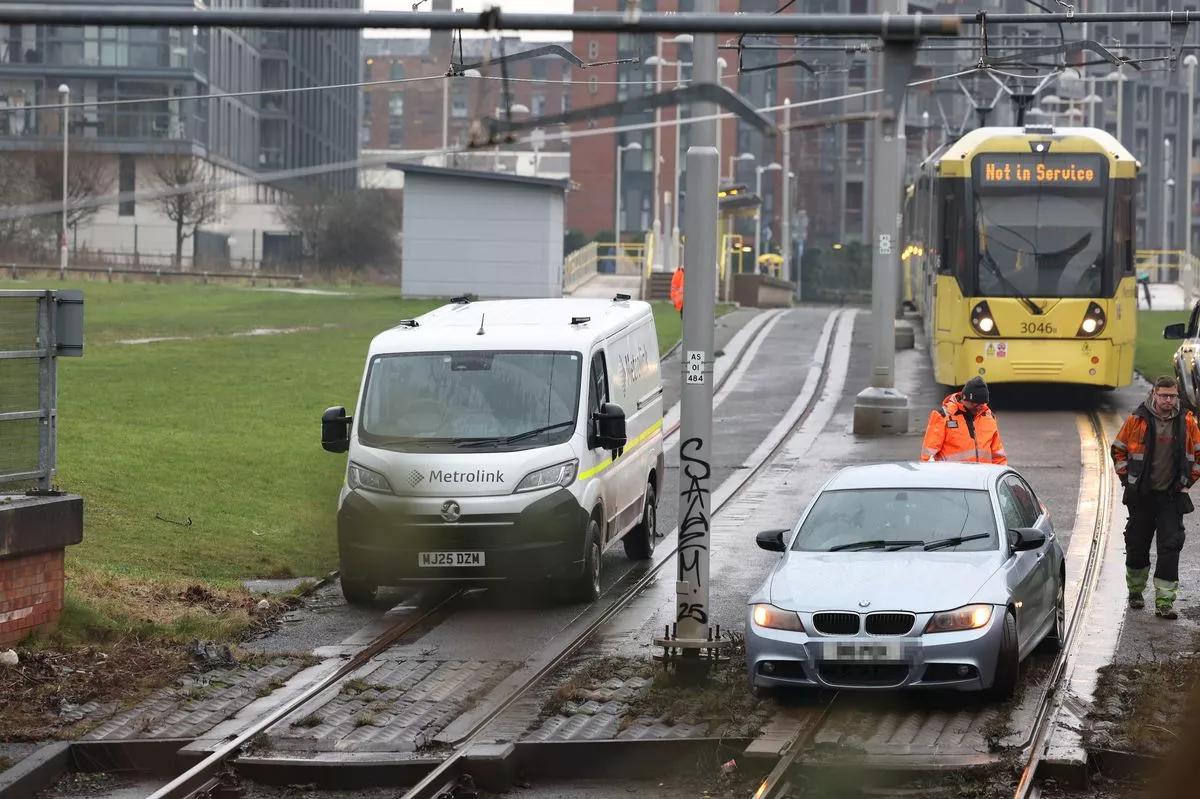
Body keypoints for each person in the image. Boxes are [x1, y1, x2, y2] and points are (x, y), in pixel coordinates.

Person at [1111, 375, 1200, 619]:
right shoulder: (1136, 420)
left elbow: (1198, 455)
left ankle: (1164, 603)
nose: (1169, 400)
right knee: (1137, 546)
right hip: (1142, 497)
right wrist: (1128, 480)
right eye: (1164, 396)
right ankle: (1135, 591)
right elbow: (1118, 450)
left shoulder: (1188, 422)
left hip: (1172, 498)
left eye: (1173, 396)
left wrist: (1186, 482)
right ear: (1154, 395)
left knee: (1170, 548)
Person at [919, 376, 1007, 464]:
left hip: (982, 472)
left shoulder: (989, 417)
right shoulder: (943, 416)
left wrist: (1002, 470)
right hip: (953, 472)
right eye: (974, 403)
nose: (977, 408)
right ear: (964, 398)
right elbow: (928, 454)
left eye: (981, 404)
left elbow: (998, 455)